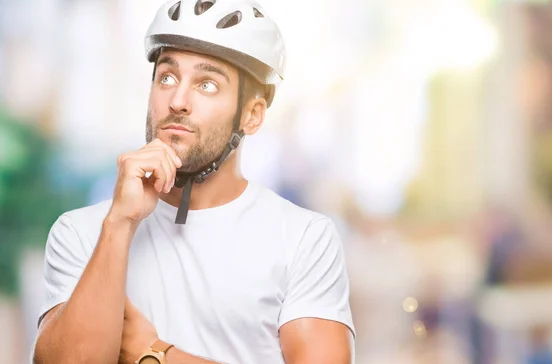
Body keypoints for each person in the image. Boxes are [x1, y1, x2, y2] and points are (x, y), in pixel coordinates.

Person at [32, 1, 355, 363]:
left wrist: (153, 354)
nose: (178, 101)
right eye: (166, 77)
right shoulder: (82, 232)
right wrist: (120, 225)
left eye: (207, 84)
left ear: (251, 115)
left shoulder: (303, 238)